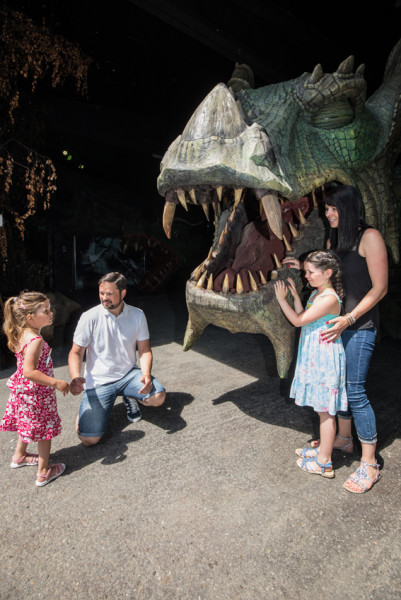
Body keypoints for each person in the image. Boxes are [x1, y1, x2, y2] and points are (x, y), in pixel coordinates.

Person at [283, 184, 388, 493]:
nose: (327, 213)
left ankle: (369, 462)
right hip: (335, 326)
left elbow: (379, 288)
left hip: (359, 326)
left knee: (354, 391)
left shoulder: (370, 238)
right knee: (337, 387)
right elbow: (328, 269)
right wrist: (300, 263)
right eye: (326, 209)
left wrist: (349, 318)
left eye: (332, 209)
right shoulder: (336, 237)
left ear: (349, 208)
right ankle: (342, 440)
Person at [69, 272, 166, 446]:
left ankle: (130, 396)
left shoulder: (137, 315)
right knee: (88, 440)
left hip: (128, 375)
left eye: (109, 294)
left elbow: (144, 350)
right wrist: (76, 376)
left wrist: (146, 374)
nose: (104, 298)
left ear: (123, 293)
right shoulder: (89, 317)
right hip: (99, 382)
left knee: (158, 397)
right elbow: (76, 352)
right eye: (101, 293)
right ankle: (89, 409)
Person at [275, 250, 347, 478]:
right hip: (316, 357)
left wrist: (280, 300)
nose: (306, 275)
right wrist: (296, 297)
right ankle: (322, 451)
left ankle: (324, 462)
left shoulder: (328, 298)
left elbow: (298, 321)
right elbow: (305, 316)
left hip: (324, 359)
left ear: (327, 273)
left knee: (325, 412)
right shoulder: (318, 294)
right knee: (320, 408)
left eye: (310, 272)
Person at [0, 292, 69, 487]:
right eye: (45, 310)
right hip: (37, 395)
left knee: (27, 424)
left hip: (24, 394)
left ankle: (19, 456)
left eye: (49, 308)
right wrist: (56, 383)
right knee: (44, 432)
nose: (51, 312)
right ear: (30, 317)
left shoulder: (21, 332)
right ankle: (43, 472)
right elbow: (29, 371)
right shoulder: (35, 341)